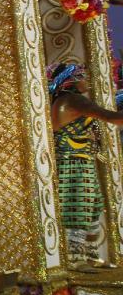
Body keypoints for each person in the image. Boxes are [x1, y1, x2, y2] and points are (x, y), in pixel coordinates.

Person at [47, 63, 123, 270]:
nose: (86, 80)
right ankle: (75, 259)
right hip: (73, 161)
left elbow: (98, 127)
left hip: (80, 160)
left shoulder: (68, 101)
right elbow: (110, 117)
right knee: (77, 210)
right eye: (82, 76)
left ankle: (90, 255)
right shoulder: (73, 100)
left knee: (92, 209)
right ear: (68, 80)